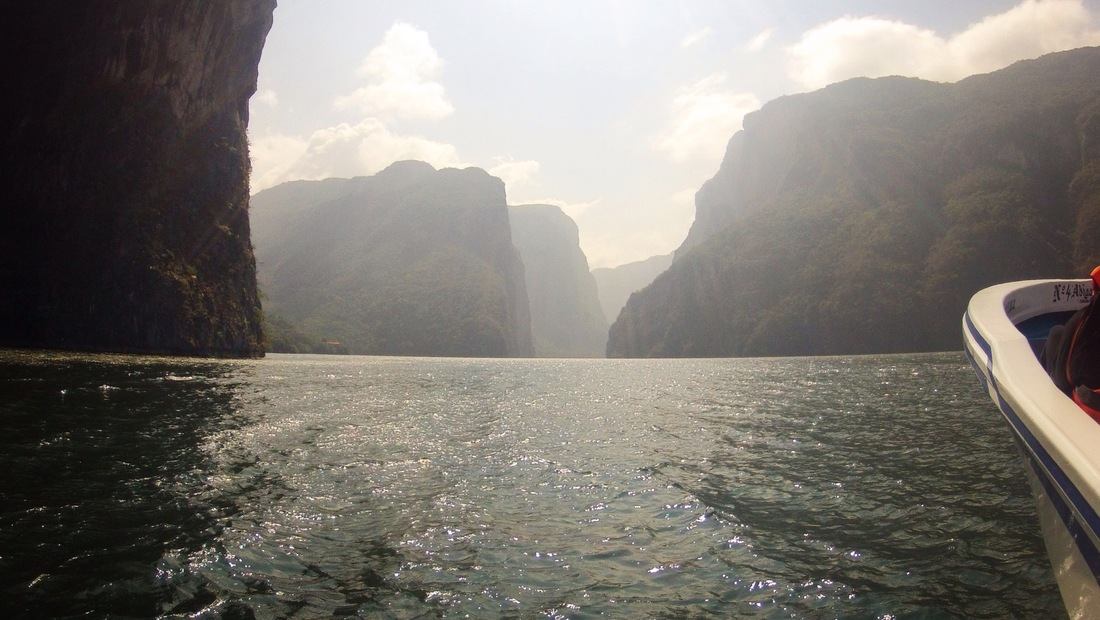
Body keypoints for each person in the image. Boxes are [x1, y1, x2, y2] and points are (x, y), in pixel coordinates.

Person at [1042, 266, 1100, 421]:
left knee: (1056, 332)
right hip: (1086, 394)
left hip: (1085, 400)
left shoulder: (1084, 318)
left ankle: (1039, 381)